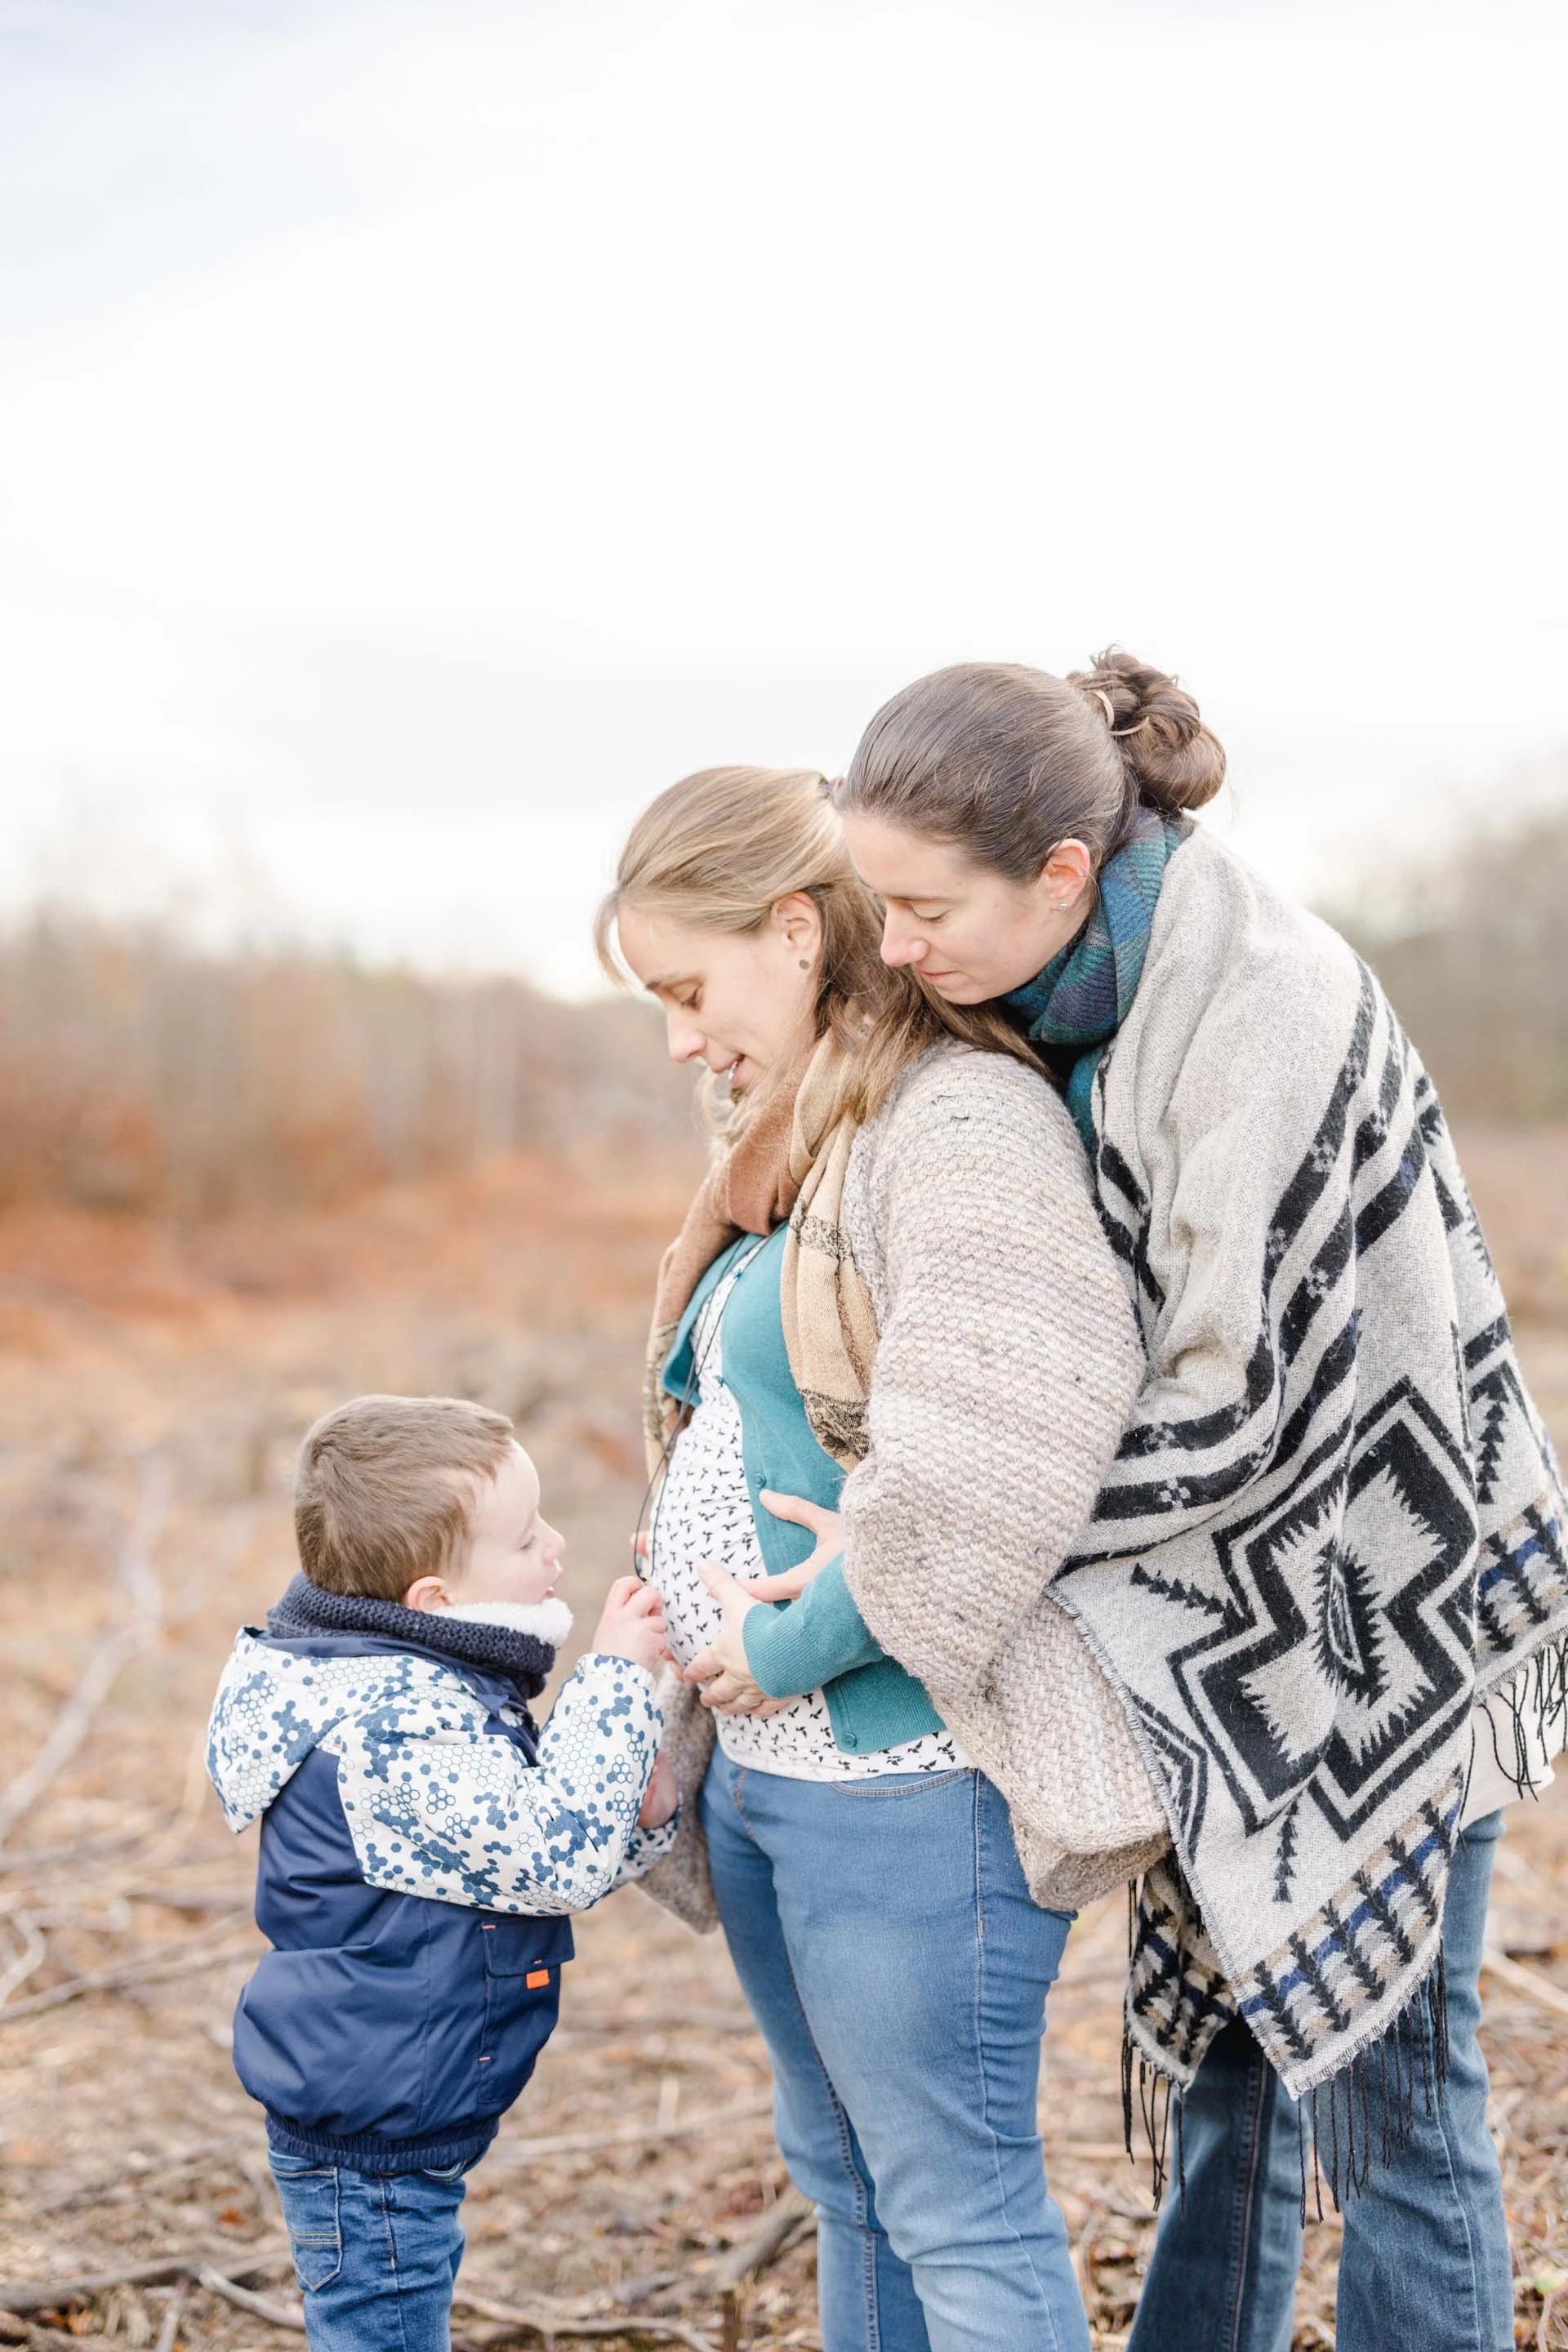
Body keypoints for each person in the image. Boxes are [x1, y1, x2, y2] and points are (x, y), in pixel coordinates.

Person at [823, 651, 1568, 2352]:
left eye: (925, 908)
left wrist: (968, 1524)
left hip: (1386, 1601)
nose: (898, 945)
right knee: (1236, 2065)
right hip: (1216, 1620)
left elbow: (1241, 1393)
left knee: (1393, 2100)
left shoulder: (1263, 1006)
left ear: (1060, 873)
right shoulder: (1059, 1004)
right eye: (879, 905)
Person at [598, 766, 1163, 2352]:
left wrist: (789, 1639)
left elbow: (1004, 1452)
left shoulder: (956, 1121)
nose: (679, 1040)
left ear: (794, 931)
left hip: (906, 1777)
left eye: (687, 991)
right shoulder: (801, 1141)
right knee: (847, 2185)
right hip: (772, 1774)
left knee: (954, 2206)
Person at [207, 1392, 678, 2352]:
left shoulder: (409, 1676)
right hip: (374, 2126)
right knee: (383, 2329)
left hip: (395, 2096)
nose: (555, 1547)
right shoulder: (390, 1729)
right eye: (525, 1538)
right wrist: (619, 1678)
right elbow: (554, 1857)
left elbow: (506, 1860)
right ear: (434, 1599)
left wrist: (642, 1819)